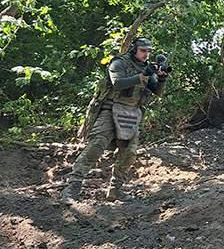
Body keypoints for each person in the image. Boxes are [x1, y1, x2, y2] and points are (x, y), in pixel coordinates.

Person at [60, 37, 170, 203]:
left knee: (129, 153)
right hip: (111, 110)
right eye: (143, 50)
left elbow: (157, 91)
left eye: (149, 51)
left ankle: (115, 190)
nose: (146, 54)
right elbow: (117, 83)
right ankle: (71, 189)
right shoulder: (119, 63)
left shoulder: (145, 67)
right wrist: (142, 75)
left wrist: (161, 78)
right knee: (96, 147)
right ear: (134, 49)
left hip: (132, 114)